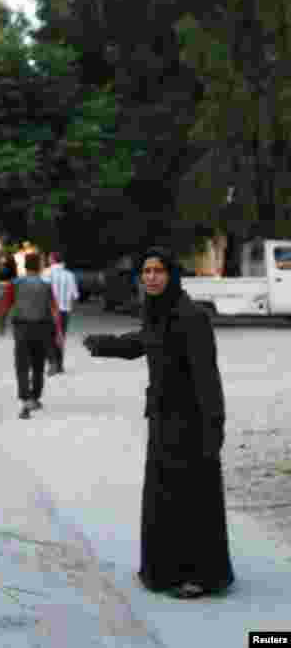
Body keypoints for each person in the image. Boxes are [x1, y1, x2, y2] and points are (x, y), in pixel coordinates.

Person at [83, 247, 234, 600]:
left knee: (193, 499)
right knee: (163, 496)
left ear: (172, 275)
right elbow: (143, 343)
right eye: (146, 271)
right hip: (163, 420)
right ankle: (164, 571)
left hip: (192, 422)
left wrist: (214, 426)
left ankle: (200, 577)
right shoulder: (157, 313)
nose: (151, 277)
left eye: (158, 271)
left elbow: (207, 377)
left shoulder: (191, 316)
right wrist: (104, 345)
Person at [0, 253, 63, 419]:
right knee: (38, 364)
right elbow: (54, 310)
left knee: (22, 365)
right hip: (41, 328)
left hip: (21, 329)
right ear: (39, 266)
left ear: (24, 266)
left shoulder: (15, 284)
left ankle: (25, 400)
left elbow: (5, 305)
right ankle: (34, 397)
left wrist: (1, 324)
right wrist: (59, 332)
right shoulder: (45, 285)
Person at [45, 252, 79, 375]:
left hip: (49, 310)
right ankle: (60, 365)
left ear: (53, 260)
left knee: (49, 337)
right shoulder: (69, 275)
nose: (48, 259)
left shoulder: (47, 273)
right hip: (65, 310)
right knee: (60, 337)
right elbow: (75, 295)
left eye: (49, 258)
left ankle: (52, 363)